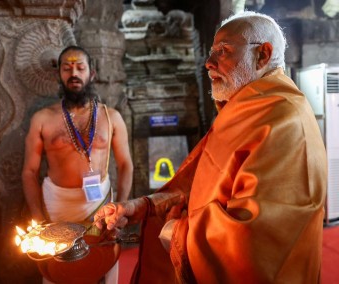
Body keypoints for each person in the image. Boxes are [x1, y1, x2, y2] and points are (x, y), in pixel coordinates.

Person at [94, 11, 327, 284]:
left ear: (262, 55)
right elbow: (201, 184)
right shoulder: (244, 109)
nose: (208, 63)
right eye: (211, 51)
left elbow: (258, 241)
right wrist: (144, 206)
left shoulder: (285, 120)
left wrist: (177, 232)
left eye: (223, 51)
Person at [22, 45, 133, 284]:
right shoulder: (42, 119)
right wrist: (38, 218)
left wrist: (121, 207)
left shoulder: (111, 117)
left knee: (105, 261)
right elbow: (29, 172)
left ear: (92, 73)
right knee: (56, 268)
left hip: (99, 203)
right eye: (67, 68)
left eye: (80, 67)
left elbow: (126, 165)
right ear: (59, 75)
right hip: (57, 205)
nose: (74, 73)